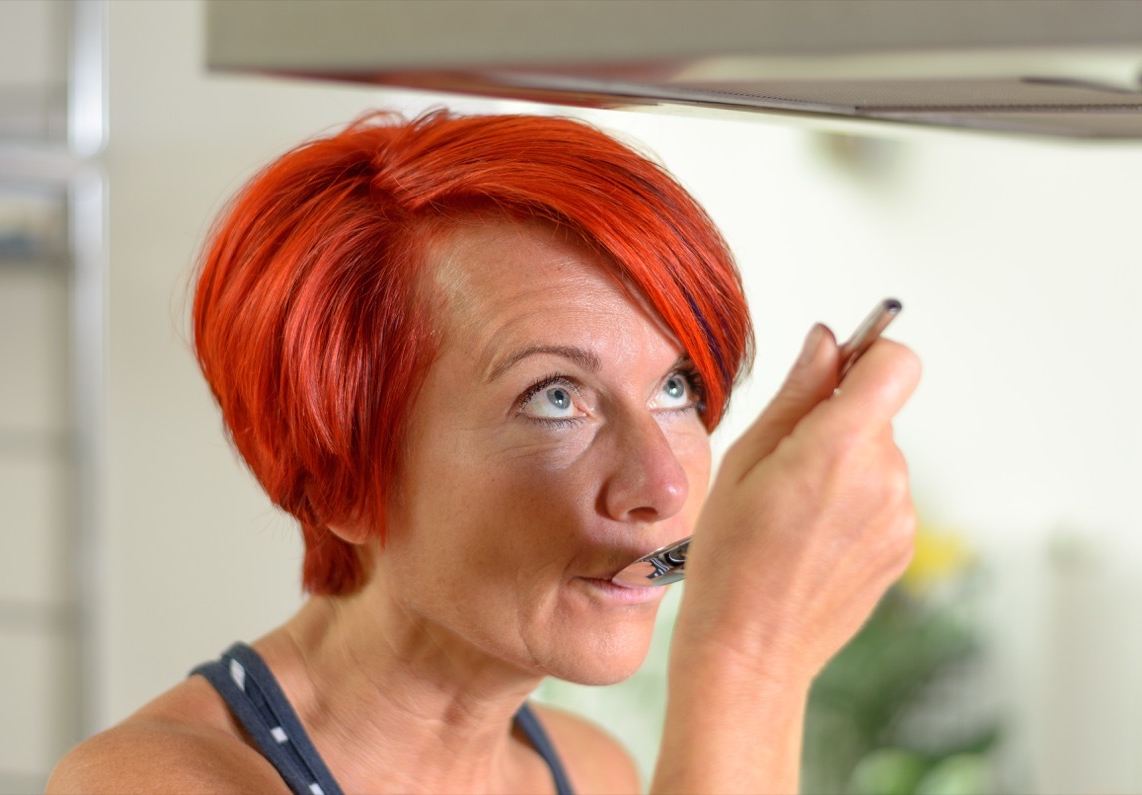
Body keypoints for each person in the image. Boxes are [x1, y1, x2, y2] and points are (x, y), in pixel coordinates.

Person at [47, 110, 919, 794]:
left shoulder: (588, 771)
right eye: (556, 398)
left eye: (677, 387)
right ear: (341, 476)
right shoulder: (154, 785)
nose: (661, 484)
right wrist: (748, 661)